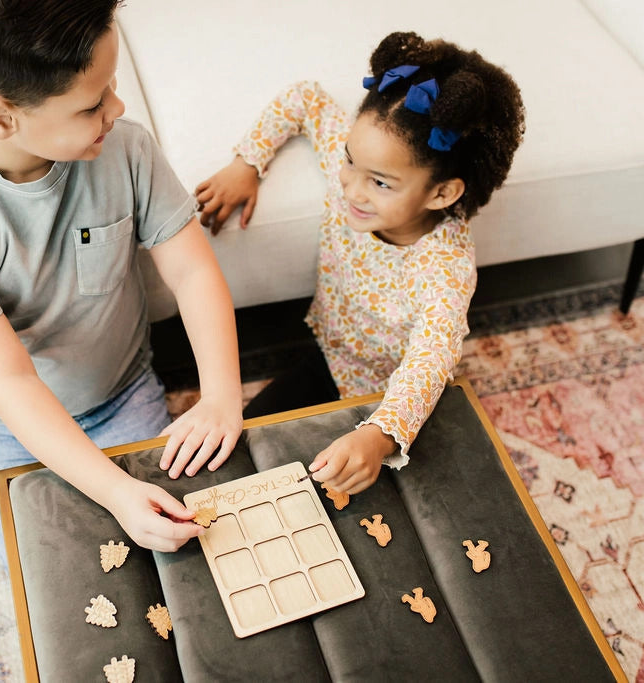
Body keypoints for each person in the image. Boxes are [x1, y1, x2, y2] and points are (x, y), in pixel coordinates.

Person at [0, 0, 243, 563]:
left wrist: (222, 396)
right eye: (92, 104)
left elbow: (192, 271)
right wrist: (115, 492)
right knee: (53, 571)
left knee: (174, 548)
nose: (118, 108)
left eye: (112, 86)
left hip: (121, 394)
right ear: (1, 119)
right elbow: (12, 382)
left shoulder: (127, 148)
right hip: (2, 426)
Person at [196, 31, 524, 496]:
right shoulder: (355, 168)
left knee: (359, 504)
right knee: (239, 453)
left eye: (381, 183)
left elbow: (432, 359)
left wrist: (379, 435)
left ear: (442, 193)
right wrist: (246, 164)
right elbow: (305, 97)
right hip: (327, 360)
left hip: (387, 402)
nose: (351, 189)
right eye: (350, 162)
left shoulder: (444, 267)